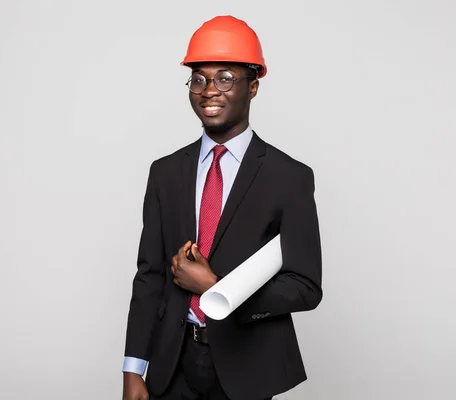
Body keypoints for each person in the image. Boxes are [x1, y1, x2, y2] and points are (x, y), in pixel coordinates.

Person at [121, 15, 323, 400]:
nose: (209, 90)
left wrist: (215, 288)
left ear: (254, 86)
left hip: (247, 369)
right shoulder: (165, 172)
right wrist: (133, 367)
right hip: (170, 367)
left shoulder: (289, 177)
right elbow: (149, 277)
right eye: (199, 78)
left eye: (225, 77)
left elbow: (305, 287)